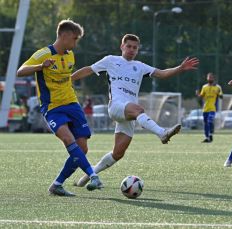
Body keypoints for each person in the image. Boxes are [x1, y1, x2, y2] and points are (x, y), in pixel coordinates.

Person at [72, 34, 199, 187]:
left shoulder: (140, 66)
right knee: (139, 109)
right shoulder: (111, 60)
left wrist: (180, 68)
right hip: (117, 106)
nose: (131, 50)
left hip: (129, 114)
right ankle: (162, 133)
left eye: (135, 47)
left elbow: (162, 74)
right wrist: (69, 79)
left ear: (137, 50)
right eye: (129, 46)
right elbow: (89, 70)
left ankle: (90, 174)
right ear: (122, 46)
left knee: (117, 153)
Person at [16, 19, 103, 196]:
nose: (75, 43)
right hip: (53, 107)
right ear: (64, 36)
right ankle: (93, 175)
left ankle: (57, 184)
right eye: (74, 38)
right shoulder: (43, 54)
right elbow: (20, 71)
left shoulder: (70, 55)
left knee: (82, 148)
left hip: (72, 104)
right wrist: (40, 66)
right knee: (68, 139)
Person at [196, 73, 223, 143]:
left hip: (213, 108)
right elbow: (201, 96)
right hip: (205, 108)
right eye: (209, 77)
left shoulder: (217, 87)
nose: (210, 78)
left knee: (210, 121)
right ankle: (207, 137)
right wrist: (198, 94)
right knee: (205, 123)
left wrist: (218, 93)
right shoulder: (204, 87)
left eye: (211, 77)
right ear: (207, 78)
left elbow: (221, 96)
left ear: (213, 78)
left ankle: (210, 135)